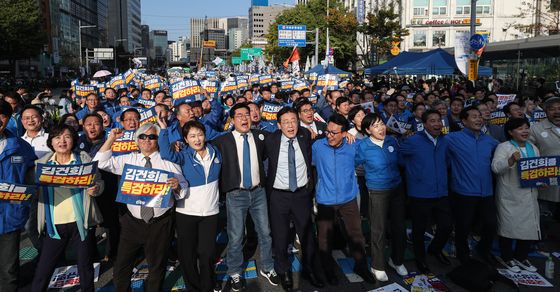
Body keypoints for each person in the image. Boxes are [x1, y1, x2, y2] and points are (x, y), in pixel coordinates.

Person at [94, 123, 187, 292]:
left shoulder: (168, 160)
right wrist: (111, 139)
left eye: (152, 137)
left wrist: (177, 187)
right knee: (122, 267)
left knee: (156, 267)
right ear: (136, 140)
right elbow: (99, 162)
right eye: (142, 136)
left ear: (158, 140)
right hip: (132, 223)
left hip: (160, 222)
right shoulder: (129, 159)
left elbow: (183, 188)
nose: (147, 140)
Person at [211, 103, 279, 291]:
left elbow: (276, 145)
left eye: (247, 115)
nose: (244, 118)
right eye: (239, 115)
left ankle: (267, 266)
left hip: (258, 192)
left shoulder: (259, 137)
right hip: (236, 195)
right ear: (232, 120)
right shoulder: (222, 141)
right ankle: (234, 272)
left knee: (265, 232)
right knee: (236, 236)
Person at [31, 124, 104, 292]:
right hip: (54, 225)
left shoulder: (83, 158)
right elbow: (33, 190)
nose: (62, 141)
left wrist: (96, 188)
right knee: (43, 270)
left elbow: (99, 181)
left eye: (67, 137)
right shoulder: (41, 164)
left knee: (85, 268)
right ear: (51, 142)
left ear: (74, 140)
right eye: (57, 137)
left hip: (81, 223)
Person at [158, 117, 222, 292]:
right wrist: (163, 130)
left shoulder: (216, 151)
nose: (197, 139)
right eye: (192, 136)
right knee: (187, 255)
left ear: (205, 135)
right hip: (186, 212)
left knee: (207, 253)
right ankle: (193, 287)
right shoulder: (184, 155)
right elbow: (165, 153)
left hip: (210, 212)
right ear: (186, 139)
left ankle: (208, 286)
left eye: (199, 134)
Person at [264, 107, 324, 291]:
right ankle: (284, 271)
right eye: (286, 122)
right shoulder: (270, 140)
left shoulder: (305, 134)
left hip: (301, 194)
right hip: (278, 196)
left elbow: (327, 135)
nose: (291, 125)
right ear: (278, 125)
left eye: (293, 121)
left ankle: (310, 269)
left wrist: (346, 134)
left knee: (307, 235)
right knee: (281, 237)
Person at [312, 113, 375, 285]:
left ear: (344, 133)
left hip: (348, 198)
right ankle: (328, 270)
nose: (329, 135)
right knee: (325, 238)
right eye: (327, 131)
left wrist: (353, 136)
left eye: (334, 132)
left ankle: (361, 266)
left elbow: (371, 146)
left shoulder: (352, 145)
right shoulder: (318, 146)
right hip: (325, 199)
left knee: (356, 235)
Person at [355, 113, 407, 281]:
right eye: (375, 126)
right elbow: (352, 164)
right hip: (377, 191)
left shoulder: (392, 141)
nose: (381, 128)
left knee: (399, 227)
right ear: (368, 130)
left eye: (382, 124)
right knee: (379, 228)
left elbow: (401, 160)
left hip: (397, 189)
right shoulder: (363, 145)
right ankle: (377, 265)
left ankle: (397, 260)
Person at [399, 110, 452, 274]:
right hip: (420, 193)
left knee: (446, 226)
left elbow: (447, 162)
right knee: (419, 229)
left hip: (441, 192)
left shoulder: (445, 141)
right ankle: (420, 258)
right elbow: (400, 158)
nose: (437, 124)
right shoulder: (413, 141)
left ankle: (435, 250)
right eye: (433, 121)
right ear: (425, 124)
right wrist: (415, 173)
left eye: (439, 120)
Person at [446, 106, 499, 264]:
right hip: (464, 191)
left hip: (487, 191)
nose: (479, 119)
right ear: (463, 121)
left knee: (491, 224)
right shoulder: (452, 138)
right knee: (463, 225)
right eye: (474, 116)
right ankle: (463, 253)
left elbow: (505, 154)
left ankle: (483, 250)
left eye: (480, 116)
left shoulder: (490, 141)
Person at [492, 118, 541, 273]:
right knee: (508, 228)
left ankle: (521, 257)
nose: (525, 131)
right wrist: (511, 160)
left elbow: (539, 169)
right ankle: (507, 258)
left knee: (528, 228)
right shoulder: (503, 147)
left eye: (526, 128)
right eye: (520, 128)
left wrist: (543, 180)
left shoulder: (533, 147)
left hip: (530, 194)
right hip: (510, 194)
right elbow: (496, 168)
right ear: (510, 132)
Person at [0, 99, 37, 292]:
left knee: (8, 269)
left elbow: (32, 178)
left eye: (3, 116)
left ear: (8, 119)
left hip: (10, 217)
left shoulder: (20, 146)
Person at [529, 97, 560, 207]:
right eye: (552, 109)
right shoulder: (535, 129)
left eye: (559, 108)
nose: (557, 112)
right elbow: (528, 155)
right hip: (548, 188)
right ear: (545, 111)